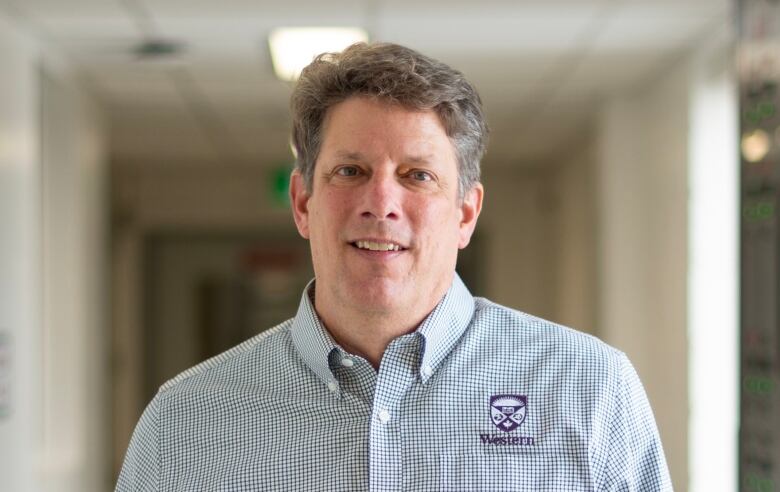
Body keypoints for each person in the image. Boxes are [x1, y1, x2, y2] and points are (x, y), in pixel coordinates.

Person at [116, 42, 672, 491]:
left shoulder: (590, 389)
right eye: (350, 171)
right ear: (303, 203)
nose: (380, 203)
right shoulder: (184, 423)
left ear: (465, 213)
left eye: (417, 175)